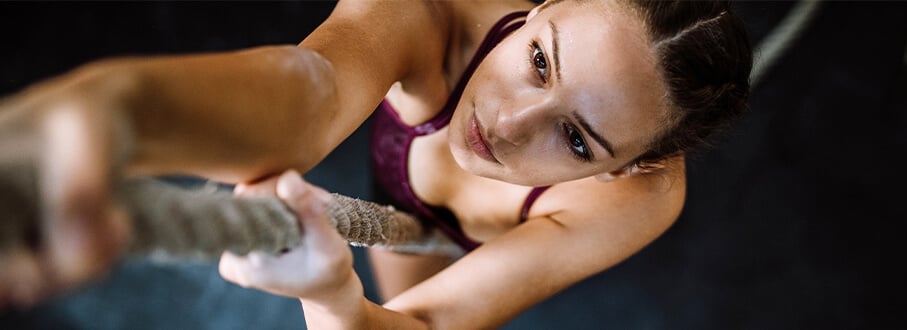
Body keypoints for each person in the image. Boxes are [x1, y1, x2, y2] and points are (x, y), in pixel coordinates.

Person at [0, 0, 751, 327]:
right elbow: (306, 98)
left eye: (579, 141)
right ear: (549, 2)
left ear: (626, 169)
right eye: (539, 60)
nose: (507, 123)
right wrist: (119, 110)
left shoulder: (640, 199)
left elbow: (426, 325)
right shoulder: (433, 8)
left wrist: (332, 298)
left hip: (472, 240)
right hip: (400, 189)